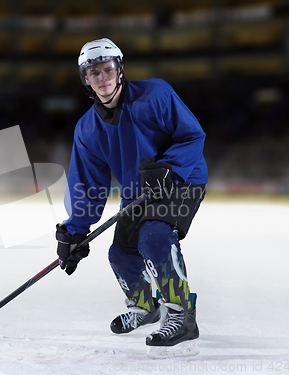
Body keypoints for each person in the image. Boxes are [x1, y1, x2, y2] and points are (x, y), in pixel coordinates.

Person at [55, 38, 208, 358]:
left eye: (107, 69)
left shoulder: (156, 95)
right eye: (93, 72)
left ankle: (181, 315)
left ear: (120, 70)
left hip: (182, 180)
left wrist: (170, 168)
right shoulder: (87, 129)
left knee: (154, 236)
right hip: (137, 192)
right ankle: (145, 307)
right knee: (121, 255)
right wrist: (75, 230)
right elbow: (87, 183)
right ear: (86, 78)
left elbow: (192, 135)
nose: (102, 77)